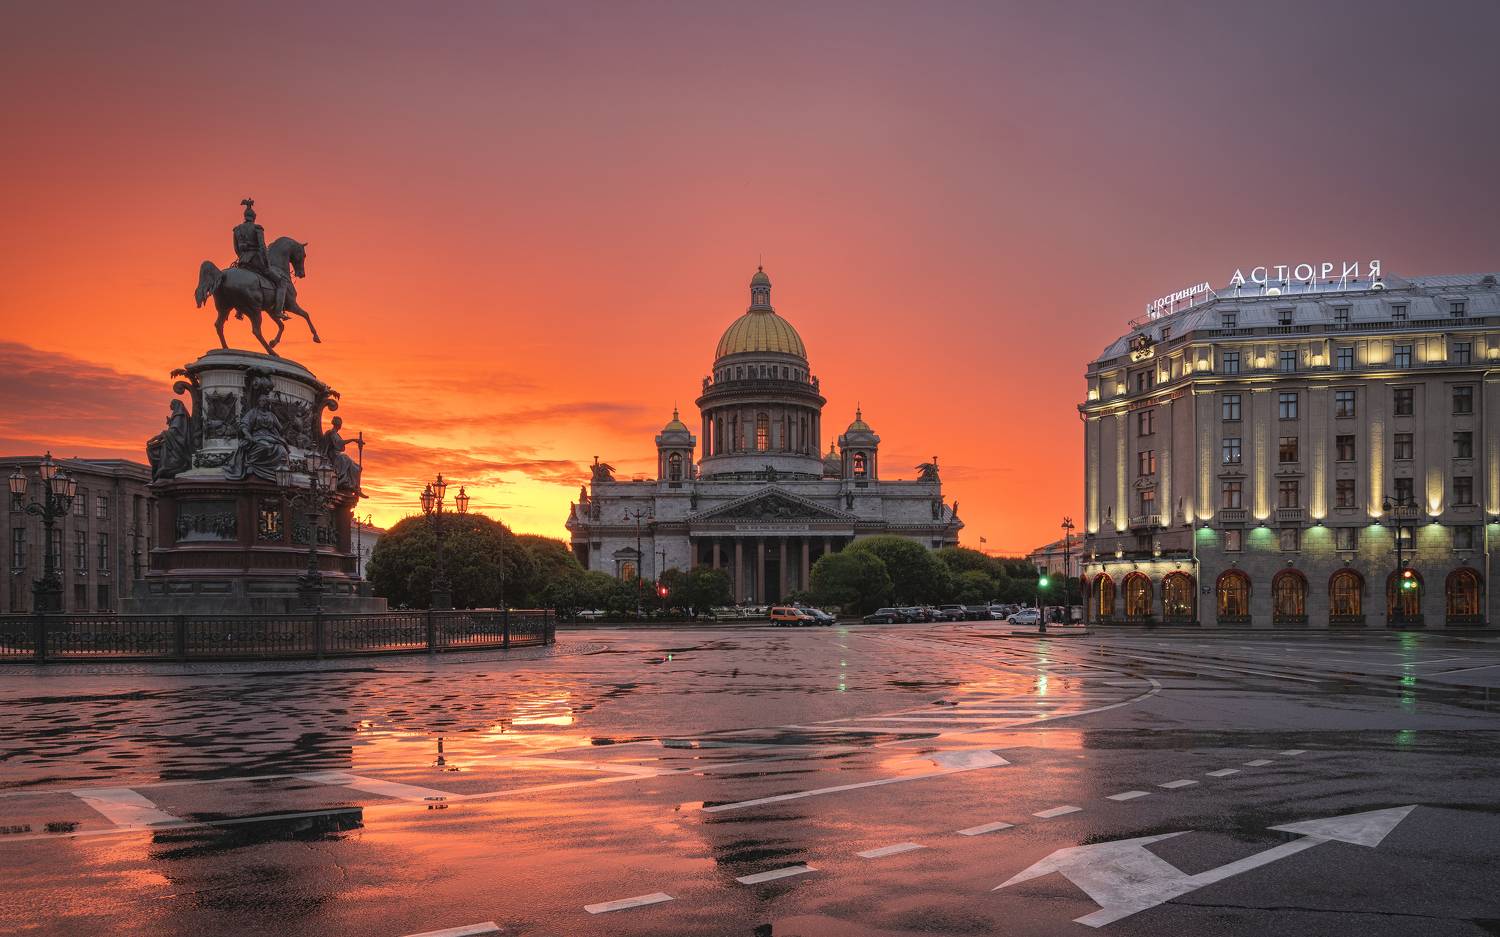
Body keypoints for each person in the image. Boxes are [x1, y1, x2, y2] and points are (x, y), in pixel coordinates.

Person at [232, 198, 289, 319]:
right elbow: (262, 247)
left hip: (243, 262)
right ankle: (278, 311)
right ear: (254, 217)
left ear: (245, 216)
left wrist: (242, 257)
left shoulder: (237, 230)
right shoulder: (257, 228)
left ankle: (239, 310)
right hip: (257, 261)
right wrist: (266, 262)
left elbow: (236, 249)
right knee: (282, 282)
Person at [147, 399, 193, 479]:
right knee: (156, 447)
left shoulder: (179, 415)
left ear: (176, 405)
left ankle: (166, 466)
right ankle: (162, 466)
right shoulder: (177, 415)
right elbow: (174, 430)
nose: (170, 406)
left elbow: (174, 431)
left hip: (178, 441)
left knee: (163, 446)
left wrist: (157, 437)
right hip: (173, 440)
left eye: (171, 404)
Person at [321, 416, 363, 493]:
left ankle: (354, 485)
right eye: (340, 424)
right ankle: (345, 481)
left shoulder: (336, 434)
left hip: (338, 455)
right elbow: (339, 443)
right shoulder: (331, 433)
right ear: (338, 424)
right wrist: (353, 440)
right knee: (345, 458)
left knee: (357, 467)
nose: (341, 425)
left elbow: (340, 445)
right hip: (334, 456)